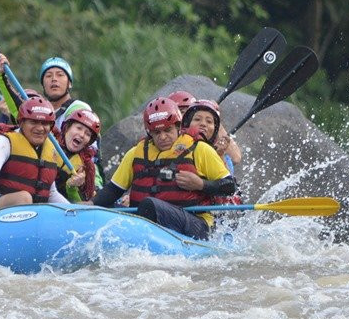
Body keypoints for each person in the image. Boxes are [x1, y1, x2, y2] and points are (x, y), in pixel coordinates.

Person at [89, 97, 239, 240]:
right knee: (103, 208)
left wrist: (201, 184)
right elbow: (114, 190)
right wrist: (91, 205)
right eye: (157, 132)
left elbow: (230, 186)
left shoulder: (200, 149)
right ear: (149, 132)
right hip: (146, 218)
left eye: (168, 130)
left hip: (195, 223)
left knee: (150, 204)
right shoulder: (135, 153)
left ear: (179, 127)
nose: (162, 137)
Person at [0, 96, 69, 221]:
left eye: (44, 123)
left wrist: (73, 210)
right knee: (24, 198)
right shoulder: (3, 141)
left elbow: (52, 193)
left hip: (33, 216)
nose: (40, 128)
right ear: (21, 122)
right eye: (33, 122)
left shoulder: (50, 150)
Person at [181, 99, 242, 173]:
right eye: (197, 119)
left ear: (215, 130)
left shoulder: (220, 153)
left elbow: (235, 160)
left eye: (209, 121)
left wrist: (220, 155)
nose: (203, 124)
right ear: (187, 124)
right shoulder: (175, 144)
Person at [55, 108, 102, 201]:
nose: (82, 135)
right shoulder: (48, 142)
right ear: (67, 128)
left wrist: (72, 188)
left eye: (87, 134)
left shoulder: (87, 168)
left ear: (89, 141)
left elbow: (82, 205)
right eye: (78, 128)